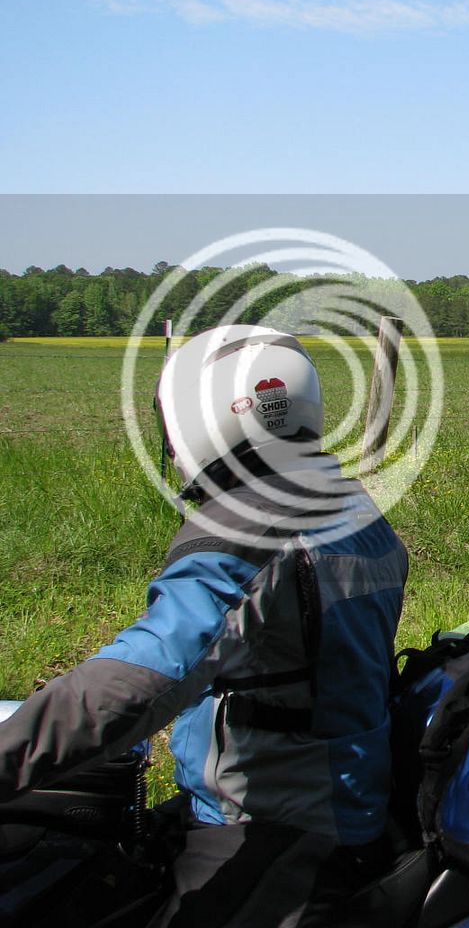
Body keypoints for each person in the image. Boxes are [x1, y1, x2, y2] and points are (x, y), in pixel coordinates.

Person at [0, 325, 410, 927]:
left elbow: (144, 676)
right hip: (342, 798)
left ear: (200, 417)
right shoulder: (349, 504)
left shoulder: (246, 531)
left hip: (271, 821)